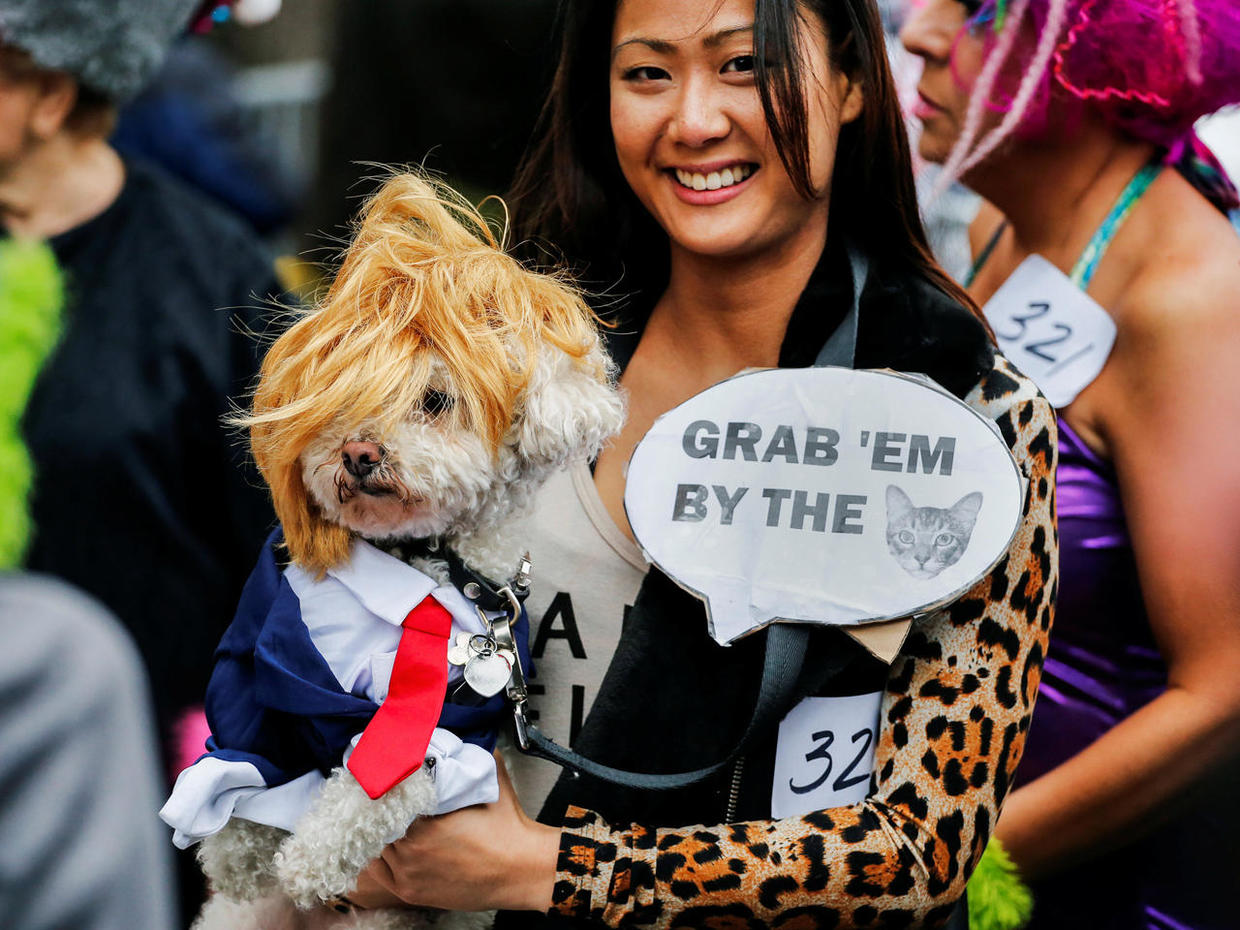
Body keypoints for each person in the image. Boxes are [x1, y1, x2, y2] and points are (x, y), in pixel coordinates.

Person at [342, 0, 1058, 926]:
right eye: (647, 73)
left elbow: (919, 848)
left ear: (847, 82)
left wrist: (549, 871)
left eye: (743, 65)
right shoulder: (491, 365)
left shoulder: (963, 417)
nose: (693, 120)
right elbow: (328, 636)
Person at [899, 1, 1240, 927]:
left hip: (1101, 892)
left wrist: (923, 883)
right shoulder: (996, 239)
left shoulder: (1194, 298)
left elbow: (1224, 694)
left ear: (1101, 42)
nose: (920, 33)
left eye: (978, 10)